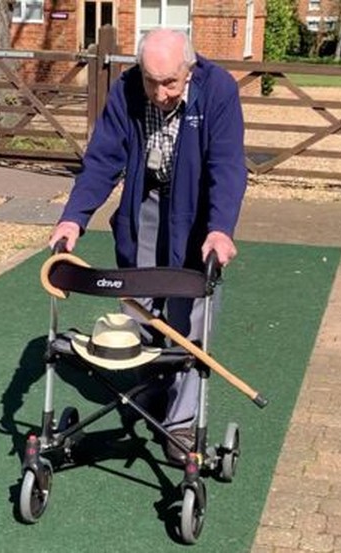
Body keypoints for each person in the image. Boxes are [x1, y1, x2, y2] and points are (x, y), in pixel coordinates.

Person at [48, 29, 247, 463]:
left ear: (189, 70)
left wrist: (220, 229)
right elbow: (103, 159)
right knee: (140, 303)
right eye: (150, 81)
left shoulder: (218, 90)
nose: (159, 93)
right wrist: (73, 217)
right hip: (146, 203)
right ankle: (154, 388)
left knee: (190, 313)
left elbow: (228, 164)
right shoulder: (126, 90)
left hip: (196, 212)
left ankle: (180, 423)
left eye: (169, 83)